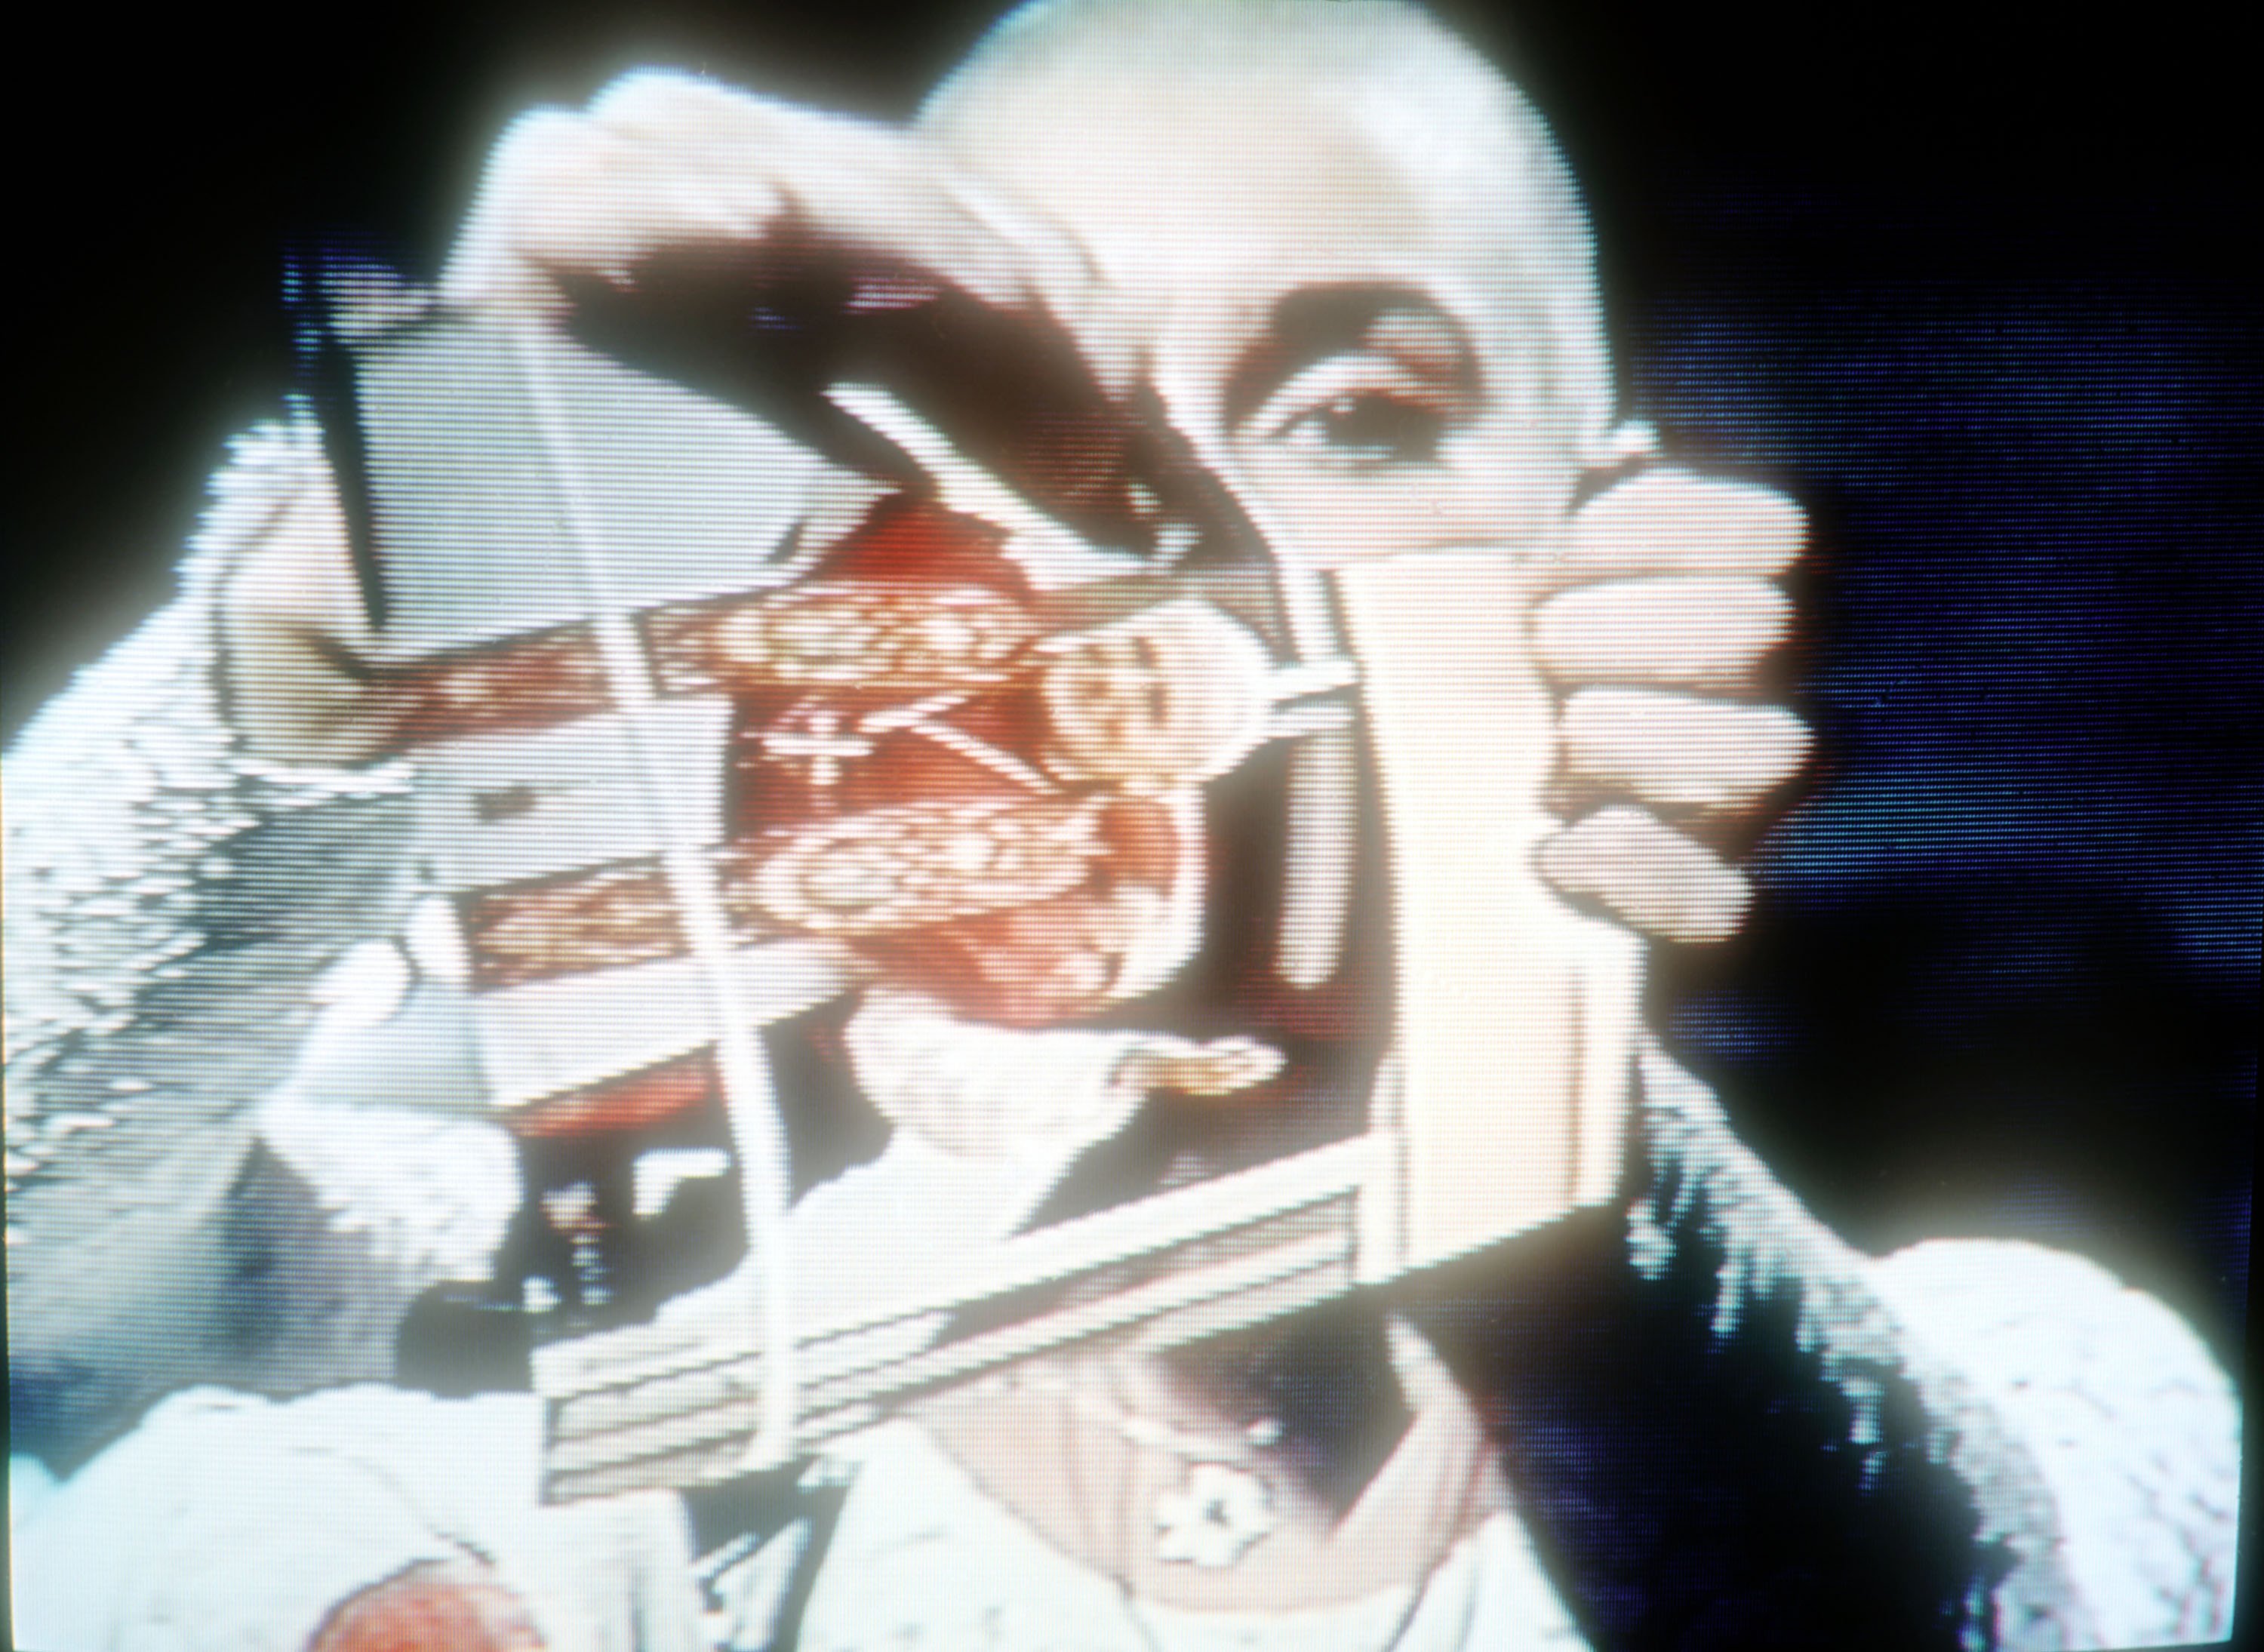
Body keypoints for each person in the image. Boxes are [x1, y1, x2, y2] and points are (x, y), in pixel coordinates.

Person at [5, 5, 2236, 1650]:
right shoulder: (525, 1345)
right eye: (998, 418)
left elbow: (1939, 1606)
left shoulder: (2056, 1372)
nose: (1176, 546)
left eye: (1357, 415)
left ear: (1611, 541)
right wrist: (343, 595)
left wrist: (1486, 1016)